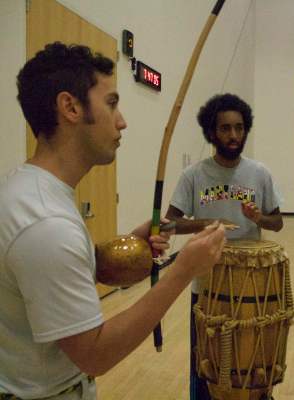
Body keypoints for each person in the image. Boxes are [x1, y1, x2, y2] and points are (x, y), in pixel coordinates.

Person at [0, 42, 226, 400]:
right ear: (70, 107)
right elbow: (95, 353)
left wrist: (118, 255)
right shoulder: (45, 223)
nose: (121, 121)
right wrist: (183, 270)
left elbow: (43, 285)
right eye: (111, 103)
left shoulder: (28, 190)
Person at [164, 93, 283, 400]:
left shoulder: (259, 173)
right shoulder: (194, 175)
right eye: (226, 128)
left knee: (251, 366)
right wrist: (206, 223)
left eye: (239, 128)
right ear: (212, 132)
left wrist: (259, 217)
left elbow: (277, 223)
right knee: (206, 368)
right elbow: (168, 223)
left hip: (251, 287)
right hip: (206, 287)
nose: (233, 135)